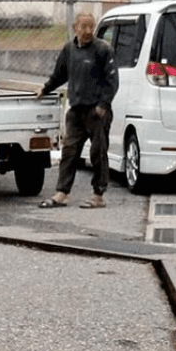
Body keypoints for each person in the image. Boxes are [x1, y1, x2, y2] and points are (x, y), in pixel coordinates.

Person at [37, 11, 119, 209]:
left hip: (96, 112)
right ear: (75, 28)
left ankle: (98, 194)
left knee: (98, 153)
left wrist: (103, 105)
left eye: (91, 27)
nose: (88, 31)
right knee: (69, 152)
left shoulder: (103, 49)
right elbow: (60, 75)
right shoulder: (69, 49)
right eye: (84, 27)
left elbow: (112, 81)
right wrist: (45, 88)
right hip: (76, 111)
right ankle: (62, 192)